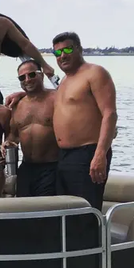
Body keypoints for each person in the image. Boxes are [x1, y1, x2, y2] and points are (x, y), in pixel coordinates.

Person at [51, 32, 117, 210]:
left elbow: (109, 114)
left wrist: (100, 154)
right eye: (57, 52)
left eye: (67, 49)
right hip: (64, 156)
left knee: (86, 212)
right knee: (67, 213)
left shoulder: (95, 73)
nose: (63, 55)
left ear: (79, 49)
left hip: (87, 153)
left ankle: (92, 239)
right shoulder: (64, 81)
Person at [3, 60, 59, 196]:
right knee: (25, 211)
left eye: (32, 74)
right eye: (22, 77)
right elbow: (14, 135)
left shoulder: (56, 98)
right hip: (26, 167)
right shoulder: (17, 105)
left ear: (42, 75)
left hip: (51, 167)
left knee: (47, 212)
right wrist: (7, 143)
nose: (27, 79)